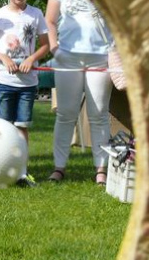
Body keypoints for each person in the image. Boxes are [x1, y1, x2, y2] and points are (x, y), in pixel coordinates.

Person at [0, 0, 49, 187]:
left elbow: (46, 45)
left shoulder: (36, 14)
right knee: (2, 128)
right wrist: (3, 57)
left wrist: (32, 58)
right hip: (4, 82)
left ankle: (21, 173)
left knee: (22, 126)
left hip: (28, 84)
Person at [45, 0, 113, 185]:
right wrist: (55, 50)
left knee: (99, 114)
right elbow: (49, 20)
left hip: (101, 57)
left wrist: (114, 50)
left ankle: (101, 170)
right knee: (65, 114)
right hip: (66, 57)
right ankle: (59, 167)